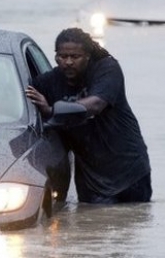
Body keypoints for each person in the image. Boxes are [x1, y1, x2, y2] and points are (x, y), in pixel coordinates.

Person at [25, 27, 152, 204]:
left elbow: (96, 104)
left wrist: (52, 111)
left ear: (88, 56)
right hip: (91, 179)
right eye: (62, 57)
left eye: (75, 57)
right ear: (55, 57)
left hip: (129, 172)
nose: (68, 62)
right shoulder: (49, 83)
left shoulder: (107, 69)